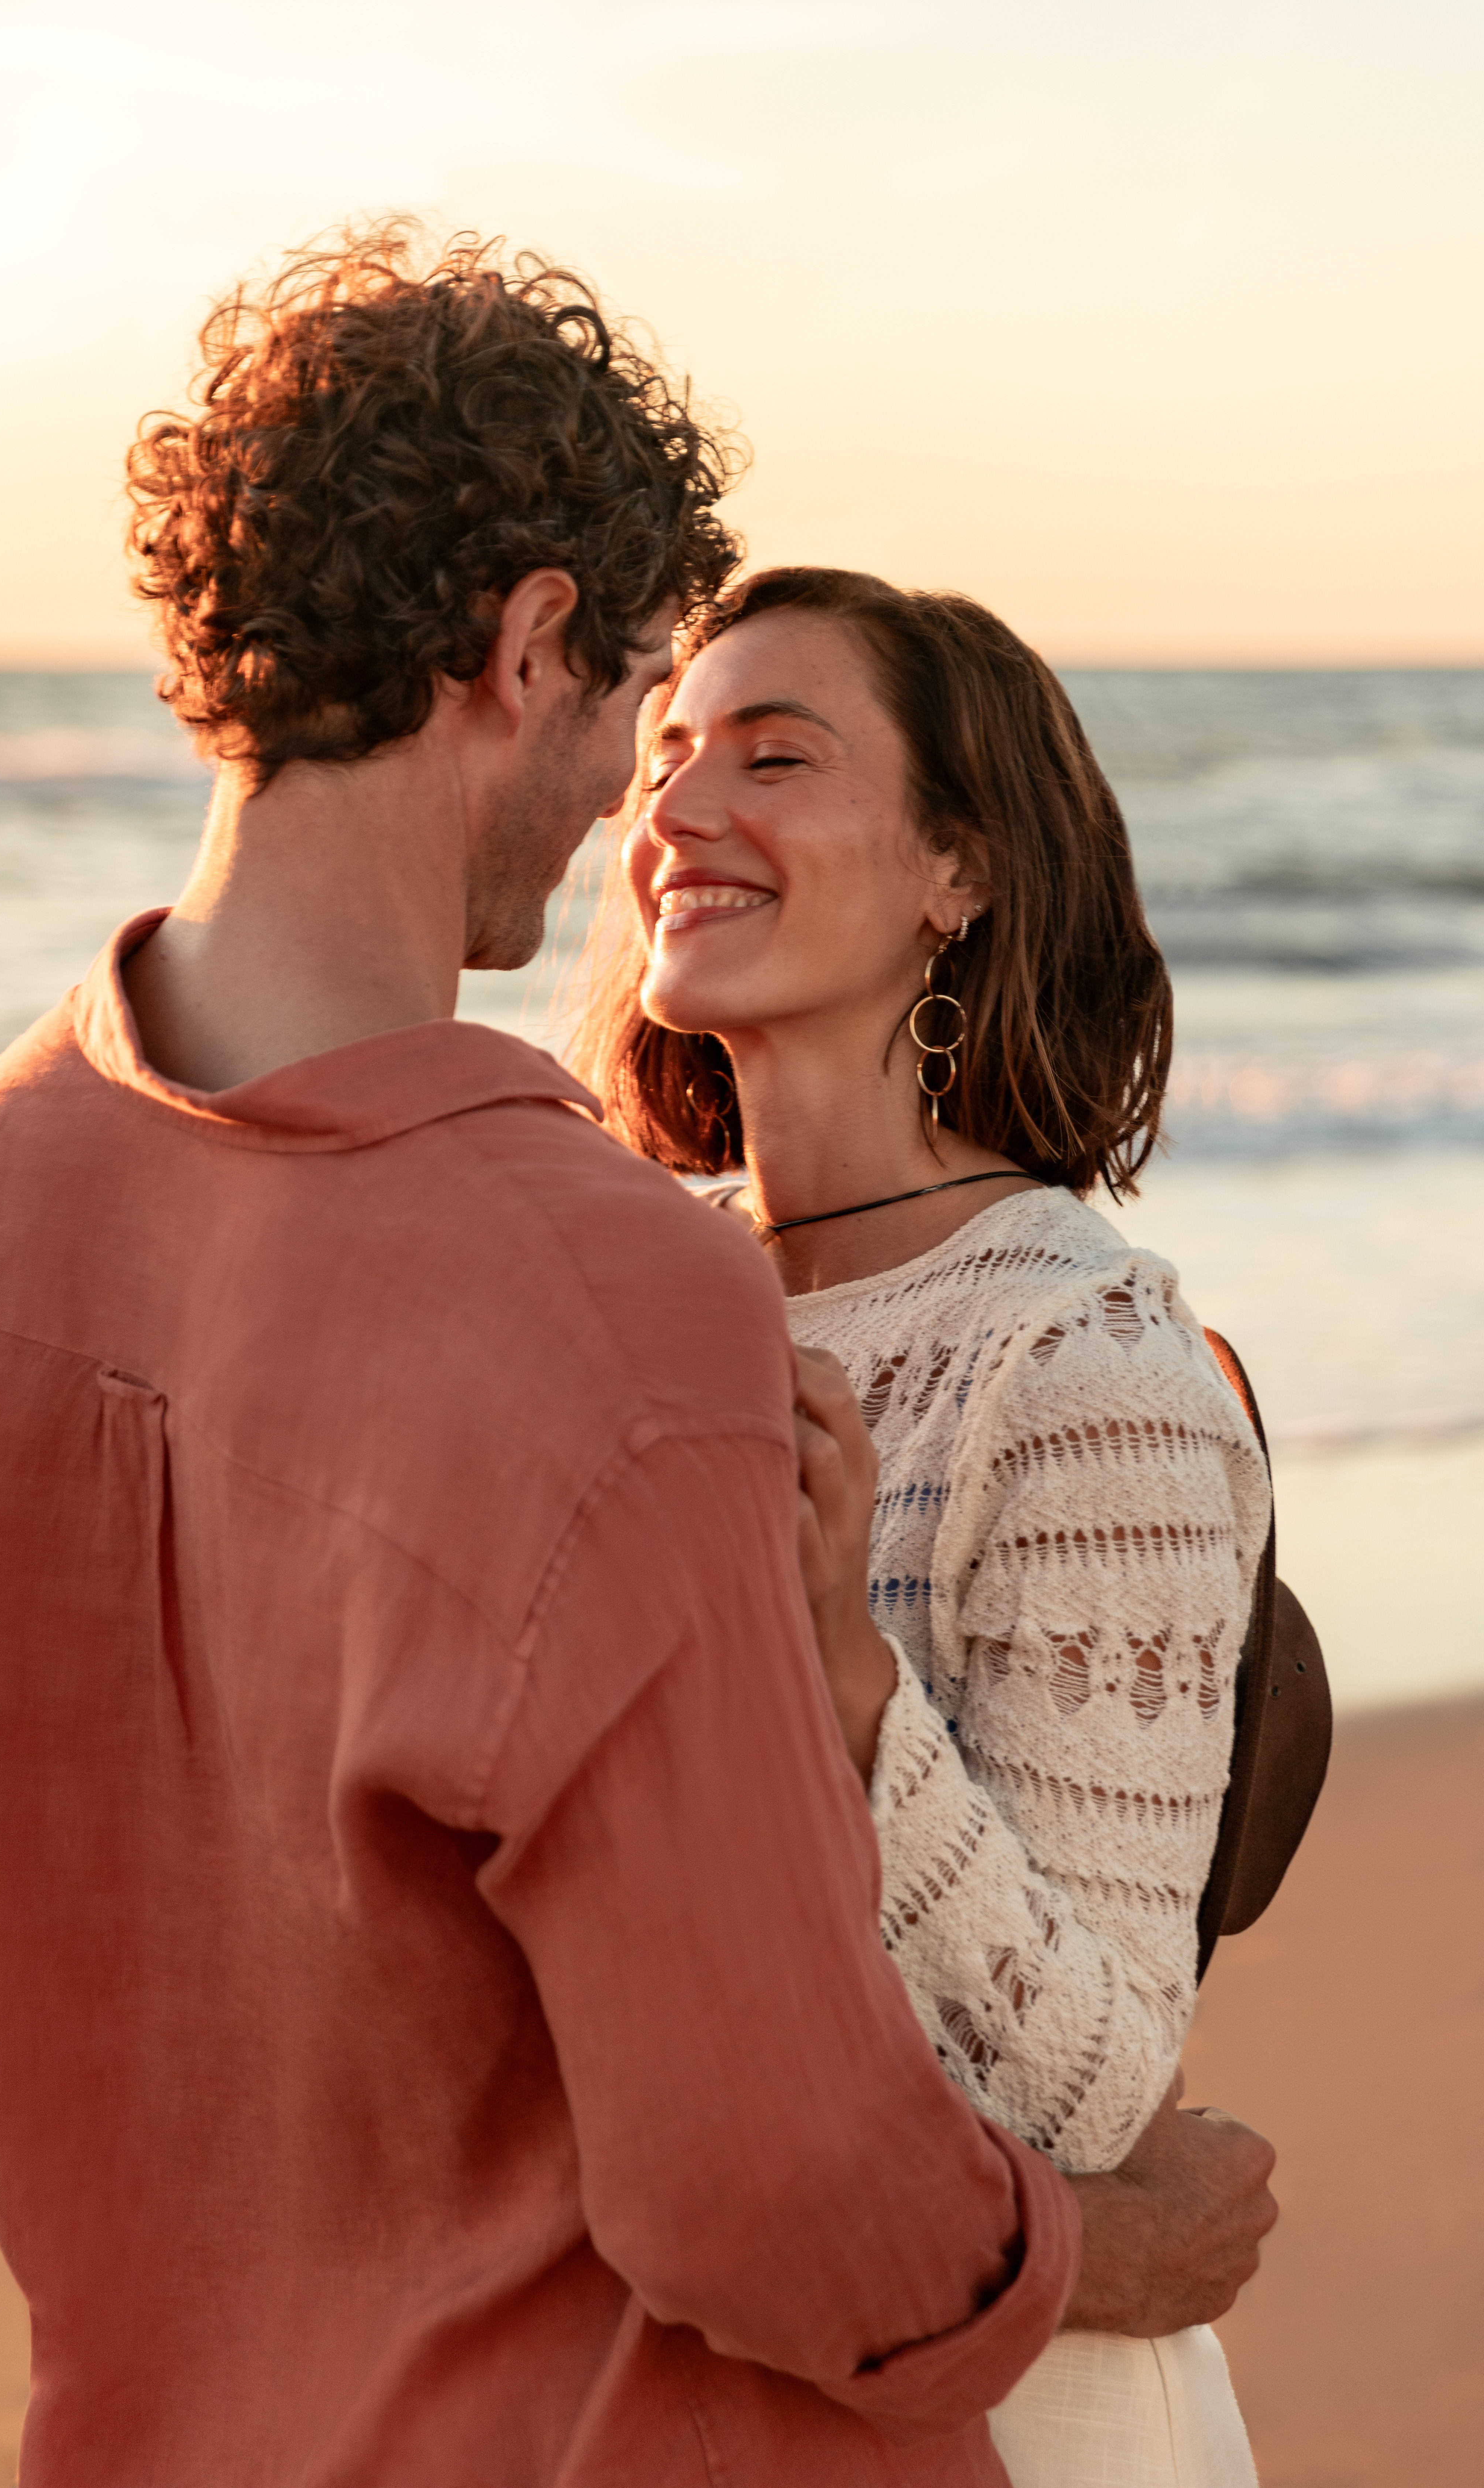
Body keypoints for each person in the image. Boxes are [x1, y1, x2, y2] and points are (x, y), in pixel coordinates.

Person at [0, 234, 1275, 2487]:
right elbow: (762, 2194)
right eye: (642, 708)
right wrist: (1092, 2256)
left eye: (765, 749)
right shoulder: (608, 1298)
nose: (633, 816)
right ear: (533, 640)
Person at [572, 563, 1277, 2486]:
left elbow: (1103, 2094)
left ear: (956, 871)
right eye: (664, 755)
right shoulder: (621, 1302)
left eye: (774, 757)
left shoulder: (1081, 1356)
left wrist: (847, 1685)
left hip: (1032, 2414)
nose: (679, 810)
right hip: (699, 2382)